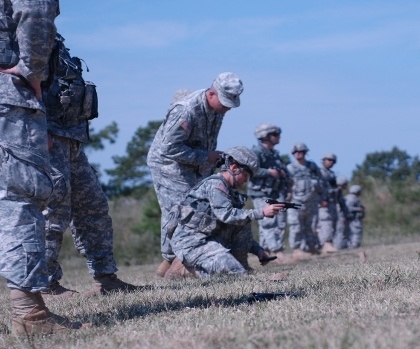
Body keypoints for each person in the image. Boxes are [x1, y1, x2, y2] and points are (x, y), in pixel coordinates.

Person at [0, 0, 88, 335]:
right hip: (7, 94)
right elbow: (34, 11)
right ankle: (29, 314)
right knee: (20, 197)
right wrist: (32, 71)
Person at [41, 33, 140, 297]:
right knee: (53, 212)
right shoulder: (24, 41)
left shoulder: (55, 43)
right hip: (48, 139)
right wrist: (38, 131)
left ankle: (106, 278)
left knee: (93, 206)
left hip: (72, 139)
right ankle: (46, 284)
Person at [147, 72, 244, 277]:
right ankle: (175, 262)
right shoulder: (186, 111)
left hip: (194, 164)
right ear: (211, 94)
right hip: (169, 165)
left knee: (201, 206)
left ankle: (170, 264)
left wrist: (211, 163)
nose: (226, 109)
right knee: (181, 211)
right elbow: (168, 149)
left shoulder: (216, 110)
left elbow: (206, 142)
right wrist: (205, 157)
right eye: (225, 103)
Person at [169, 147, 284, 278]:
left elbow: (238, 224)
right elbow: (227, 215)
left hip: (210, 239)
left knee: (244, 221)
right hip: (192, 243)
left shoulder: (230, 191)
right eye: (245, 175)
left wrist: (258, 250)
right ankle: (183, 270)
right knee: (233, 272)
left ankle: (242, 267)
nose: (246, 181)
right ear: (234, 168)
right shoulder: (215, 185)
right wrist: (262, 212)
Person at [247, 124, 294, 263]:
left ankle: (266, 253)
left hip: (273, 192)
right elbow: (249, 170)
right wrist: (268, 172)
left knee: (274, 223)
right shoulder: (256, 152)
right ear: (265, 136)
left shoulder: (274, 154)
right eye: (275, 134)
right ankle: (277, 252)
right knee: (269, 222)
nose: (278, 137)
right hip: (260, 193)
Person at [286, 142, 322, 259]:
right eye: (296, 152)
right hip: (295, 201)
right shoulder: (290, 168)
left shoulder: (312, 166)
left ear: (305, 153)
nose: (298, 154)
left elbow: (321, 181)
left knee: (311, 225)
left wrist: (322, 196)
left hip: (311, 201)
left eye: (301, 152)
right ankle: (297, 249)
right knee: (296, 226)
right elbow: (286, 185)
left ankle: (311, 246)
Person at [317, 152, 345, 253]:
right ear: (323, 161)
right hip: (324, 202)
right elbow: (318, 188)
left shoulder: (332, 174)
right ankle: (325, 244)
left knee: (332, 224)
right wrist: (321, 200)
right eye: (328, 160)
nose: (331, 162)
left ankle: (328, 244)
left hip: (332, 202)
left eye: (332, 161)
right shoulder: (319, 173)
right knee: (325, 223)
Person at [333, 176, 349, 249]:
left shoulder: (339, 192)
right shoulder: (336, 191)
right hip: (338, 214)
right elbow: (338, 204)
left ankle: (340, 246)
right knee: (340, 230)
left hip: (339, 213)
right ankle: (338, 246)